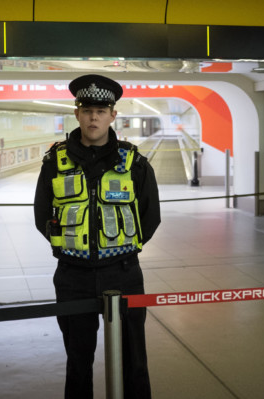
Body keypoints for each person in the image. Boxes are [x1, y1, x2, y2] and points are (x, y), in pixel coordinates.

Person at [34, 74, 161, 398]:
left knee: (134, 360)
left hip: (123, 273)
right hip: (72, 275)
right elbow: (42, 214)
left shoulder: (134, 163)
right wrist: (74, 247)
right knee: (78, 361)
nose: (94, 117)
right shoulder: (55, 162)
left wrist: (117, 247)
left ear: (113, 115)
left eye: (101, 111)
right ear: (76, 113)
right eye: (87, 109)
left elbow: (150, 215)